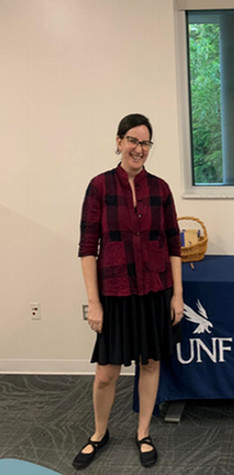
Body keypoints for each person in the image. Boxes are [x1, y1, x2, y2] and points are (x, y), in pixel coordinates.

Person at [73, 113, 184, 470]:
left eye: (146, 142)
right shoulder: (99, 187)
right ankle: (99, 433)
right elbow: (88, 247)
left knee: (150, 363)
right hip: (116, 292)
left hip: (154, 289)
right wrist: (94, 302)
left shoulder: (161, 189)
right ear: (119, 141)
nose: (139, 149)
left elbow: (173, 246)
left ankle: (143, 432)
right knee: (107, 371)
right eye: (133, 140)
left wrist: (177, 294)